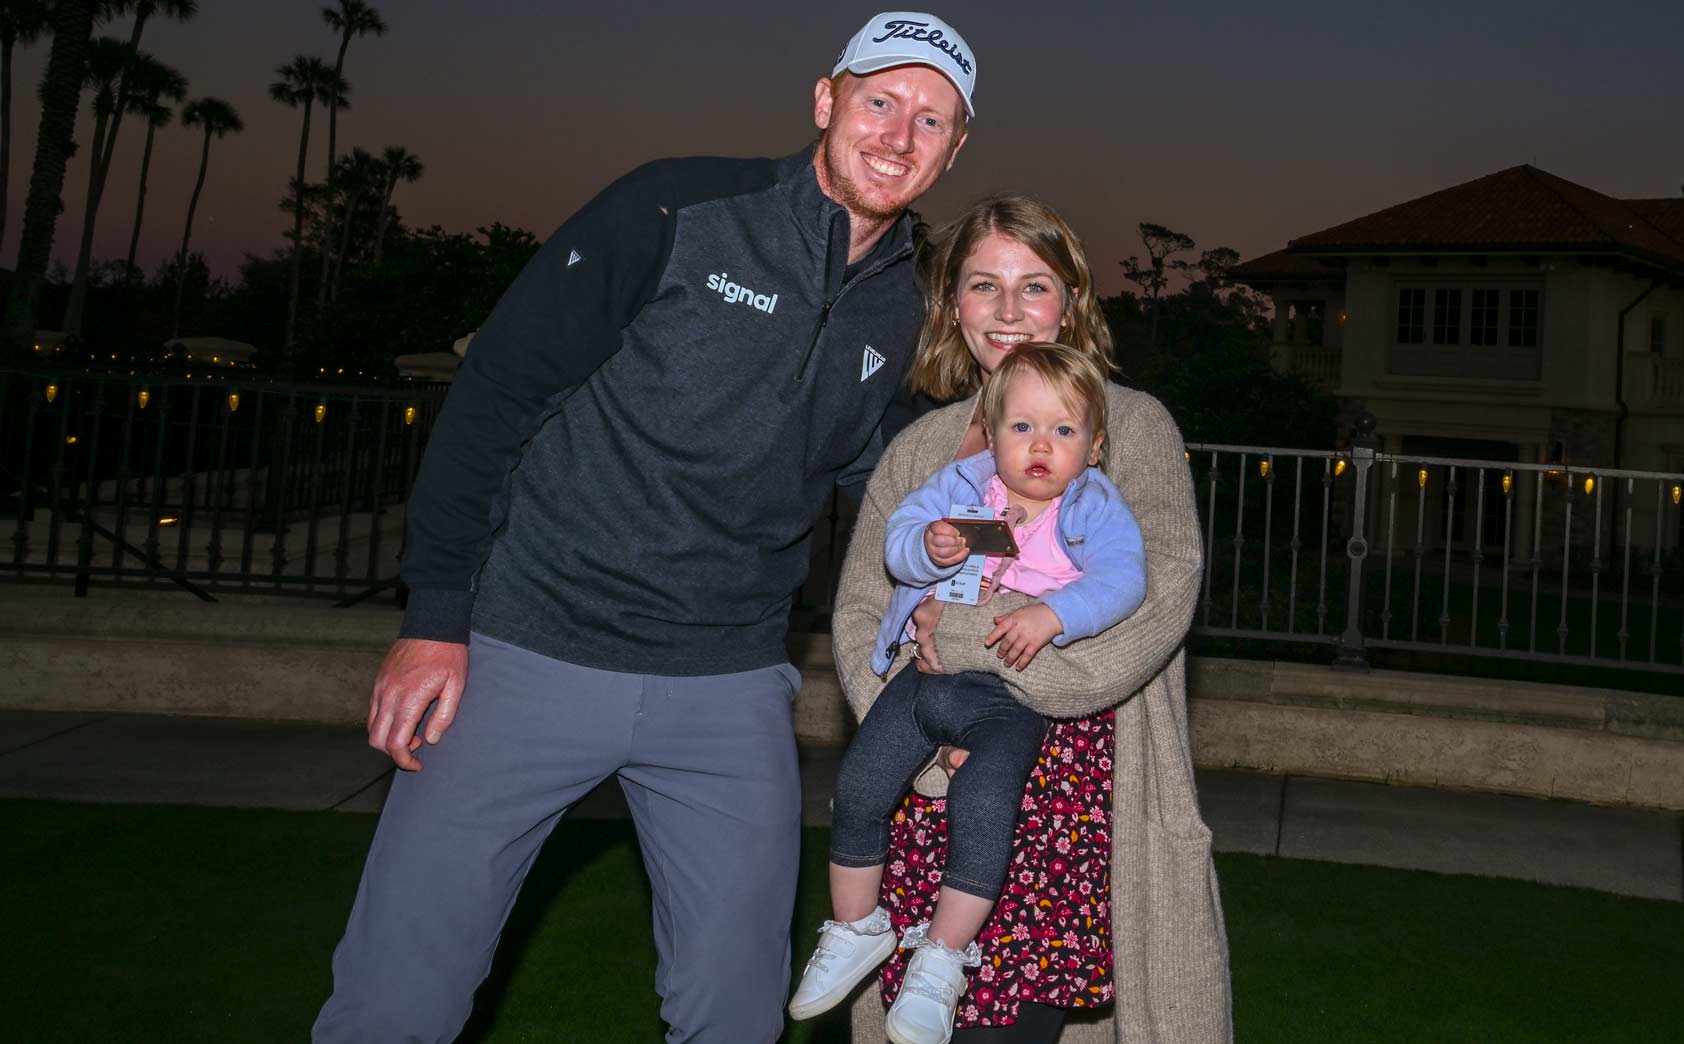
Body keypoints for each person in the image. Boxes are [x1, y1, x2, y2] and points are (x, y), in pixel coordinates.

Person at [312, 12, 977, 1044]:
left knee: (735, 1013)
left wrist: (1012, 535)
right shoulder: (677, 205)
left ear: (955, 147)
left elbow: (894, 470)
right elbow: (495, 394)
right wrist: (434, 617)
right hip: (527, 651)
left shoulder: (904, 303)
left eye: (930, 120)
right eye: (880, 101)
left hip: (725, 685)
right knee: (399, 995)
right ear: (825, 100)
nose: (898, 134)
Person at [830, 196, 1233, 1043]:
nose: (1009, 311)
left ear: (1072, 304)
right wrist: (929, 740)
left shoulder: (1131, 430)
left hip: (1072, 797)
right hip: (931, 792)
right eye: (984, 285)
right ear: (953, 307)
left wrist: (983, 645)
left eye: (1035, 286)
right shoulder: (919, 451)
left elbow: (1156, 597)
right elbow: (865, 613)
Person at [791, 343, 1145, 1044]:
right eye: (1021, 427)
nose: (1040, 445)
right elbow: (897, 544)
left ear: (1095, 447)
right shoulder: (961, 484)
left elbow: (1126, 579)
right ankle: (857, 927)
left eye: (1064, 431)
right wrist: (930, 546)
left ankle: (944, 959)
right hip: (926, 680)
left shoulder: (1092, 505)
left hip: (1009, 699)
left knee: (985, 809)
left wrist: (1055, 614)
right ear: (991, 430)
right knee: (859, 787)